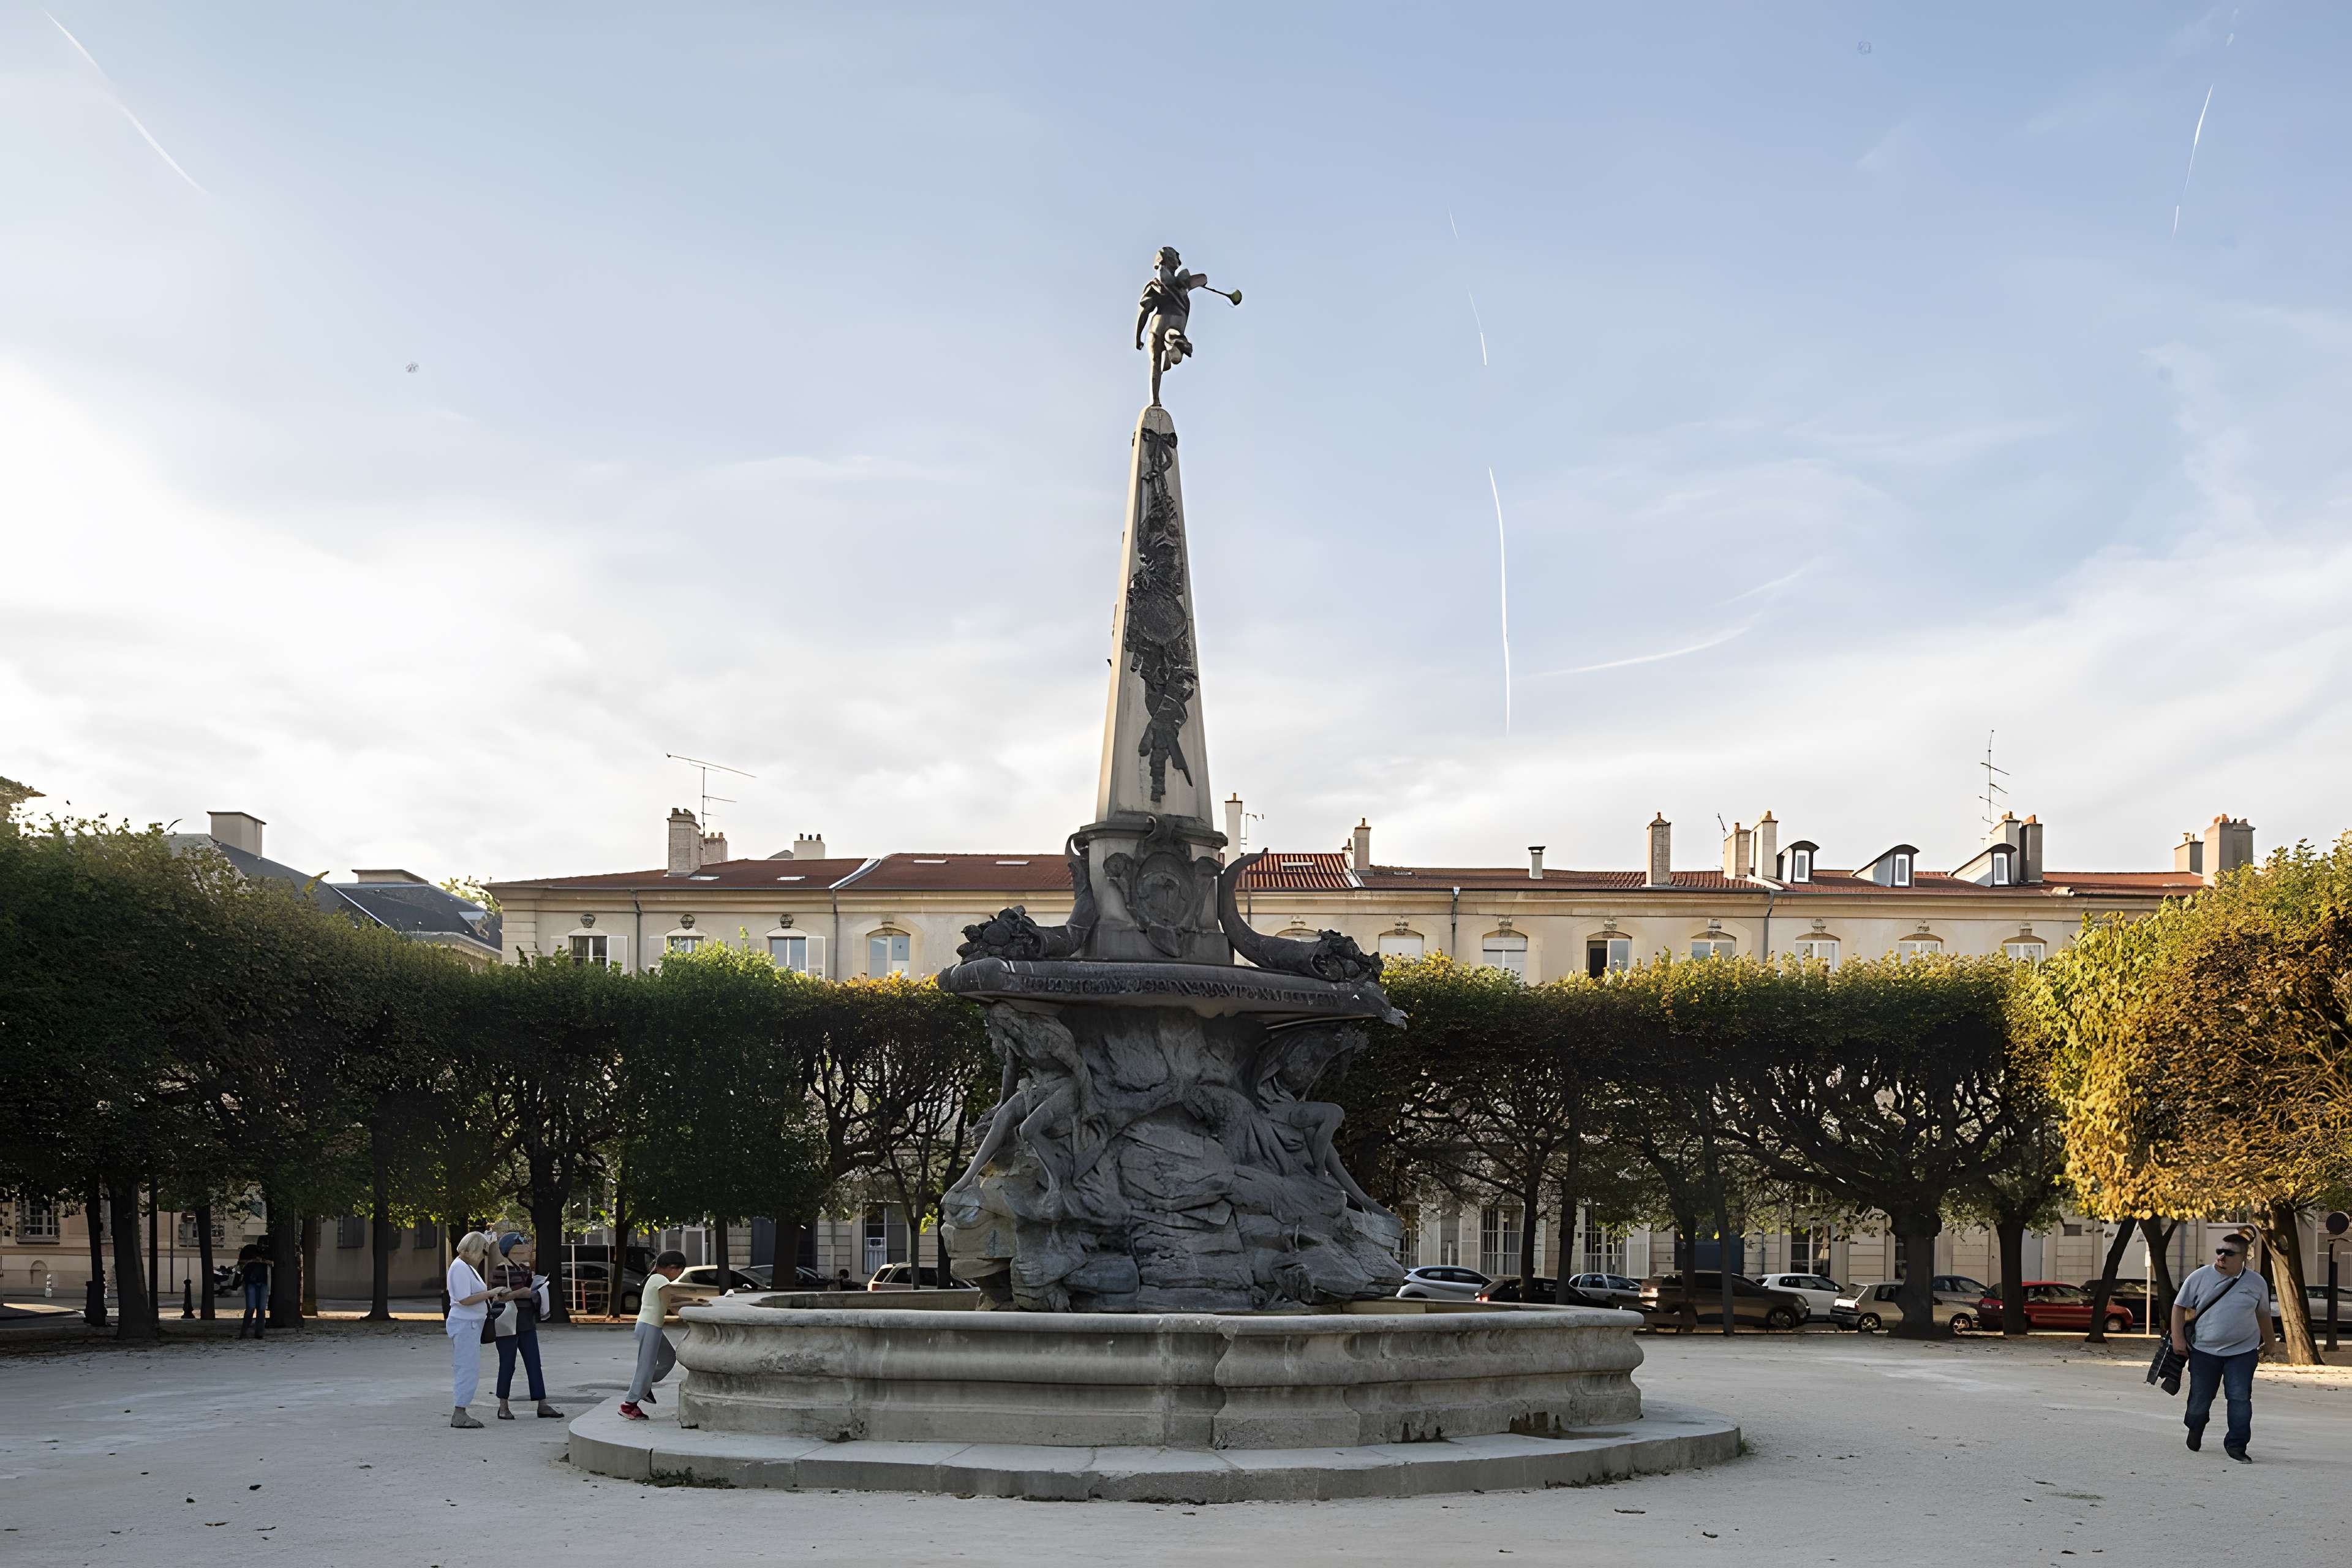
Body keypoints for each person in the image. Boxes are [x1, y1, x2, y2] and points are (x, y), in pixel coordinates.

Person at [2171, 1233, 2277, 1462]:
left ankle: (2237, 1446)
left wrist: (2271, 1344)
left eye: (2229, 1253)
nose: (2221, 1256)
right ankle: (2195, 1427)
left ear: (2244, 1257)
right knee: (2200, 1400)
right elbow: (2179, 1307)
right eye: (2219, 1251)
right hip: (2204, 1352)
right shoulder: (2199, 1277)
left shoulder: (2257, 1283)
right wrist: (2178, 1340)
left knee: (2239, 1398)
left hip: (2242, 1353)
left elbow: (2263, 1314)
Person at [489, 1233, 562, 1421]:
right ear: (511, 1250)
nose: (527, 1249)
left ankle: (542, 1404)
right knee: (508, 1364)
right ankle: (503, 1406)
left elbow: (531, 1292)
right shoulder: (500, 1270)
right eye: (522, 1246)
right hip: (507, 1323)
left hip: (526, 1321)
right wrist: (521, 1292)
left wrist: (535, 1290)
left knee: (534, 1363)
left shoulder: (524, 1269)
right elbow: (497, 1296)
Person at [618, 1250, 687, 1421]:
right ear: (672, 1268)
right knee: (646, 1366)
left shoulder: (656, 1278)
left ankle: (645, 1385)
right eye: (680, 1271)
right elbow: (669, 1302)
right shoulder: (660, 1279)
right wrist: (687, 1312)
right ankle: (629, 1405)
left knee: (668, 1359)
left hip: (651, 1326)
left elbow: (671, 1300)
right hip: (649, 1327)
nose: (679, 1275)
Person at [445, 1231, 500, 1430]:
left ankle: (461, 1410)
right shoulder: (460, 1268)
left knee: (469, 1368)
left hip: (471, 1324)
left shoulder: (466, 1267)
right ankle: (459, 1412)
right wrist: (491, 1293)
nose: (483, 1257)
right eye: (483, 1252)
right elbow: (464, 1299)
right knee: (466, 1368)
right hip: (465, 1324)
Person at [235, 1243, 272, 1340]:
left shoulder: (253, 1250)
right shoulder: (250, 1250)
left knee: (260, 1308)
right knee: (253, 1307)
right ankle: (247, 1332)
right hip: (253, 1282)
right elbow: (241, 1263)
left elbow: (272, 1262)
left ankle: (255, 1333)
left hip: (259, 1282)